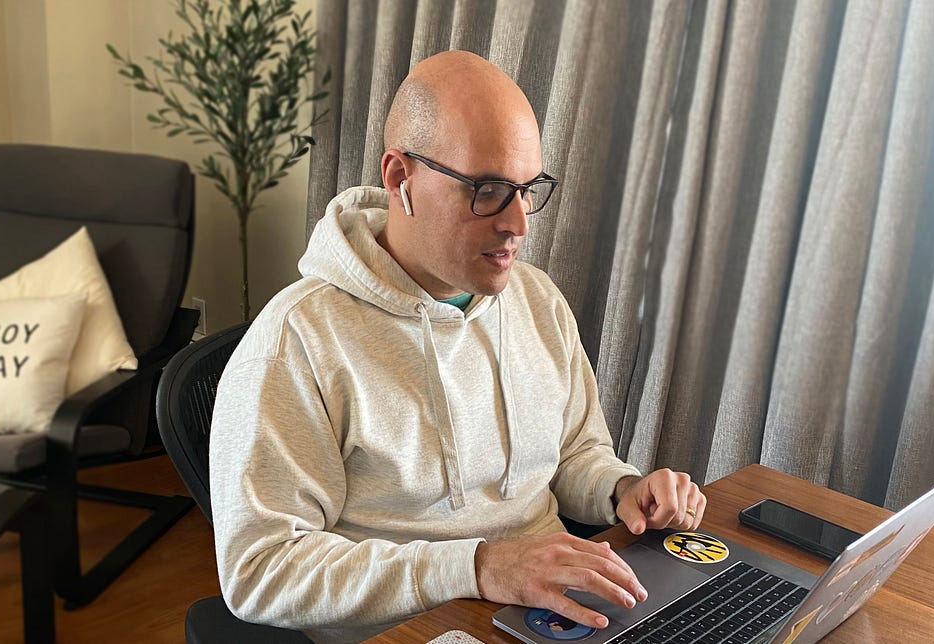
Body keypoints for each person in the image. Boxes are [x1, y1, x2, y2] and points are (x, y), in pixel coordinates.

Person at [209, 50, 707, 643]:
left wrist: (622, 489)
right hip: (417, 627)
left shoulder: (536, 300)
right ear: (401, 178)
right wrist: (477, 566)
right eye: (490, 189)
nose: (519, 223)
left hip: (554, 607)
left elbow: (574, 452)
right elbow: (259, 573)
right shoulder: (299, 341)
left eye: (528, 189)